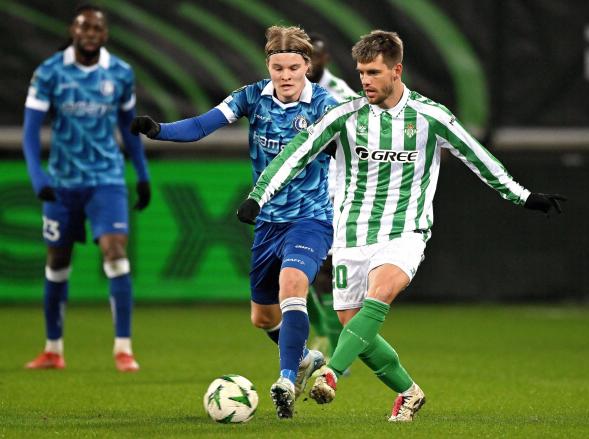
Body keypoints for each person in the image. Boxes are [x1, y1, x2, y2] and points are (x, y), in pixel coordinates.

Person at [236, 30, 566, 422]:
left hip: (406, 231)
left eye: (374, 72)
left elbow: (478, 157)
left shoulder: (430, 116)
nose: (365, 81)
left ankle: (330, 375)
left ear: (397, 70)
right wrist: (259, 196)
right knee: (353, 325)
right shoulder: (345, 116)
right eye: (361, 73)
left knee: (379, 295)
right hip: (352, 235)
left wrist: (523, 196)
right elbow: (294, 155)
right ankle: (409, 393)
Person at [130, 26, 337, 419]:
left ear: (307, 67)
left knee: (292, 284)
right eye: (279, 67)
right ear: (269, 67)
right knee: (262, 318)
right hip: (267, 223)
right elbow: (203, 124)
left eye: (294, 67)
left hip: (310, 218)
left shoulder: (325, 106)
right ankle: (307, 358)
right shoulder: (251, 96)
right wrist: (160, 131)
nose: (286, 76)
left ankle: (287, 379)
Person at [23, 5, 151, 373]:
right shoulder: (49, 72)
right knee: (58, 262)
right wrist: (38, 178)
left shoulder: (121, 73)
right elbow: (31, 132)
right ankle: (52, 348)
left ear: (105, 34)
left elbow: (130, 128)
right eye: (84, 27)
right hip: (62, 182)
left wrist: (141, 174)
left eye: (97, 27)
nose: (91, 33)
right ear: (73, 31)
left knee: (115, 252)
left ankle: (123, 349)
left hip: (106, 179)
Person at [306, 32, 359, 358]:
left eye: (315, 56)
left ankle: (333, 339)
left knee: (325, 268)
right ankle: (324, 332)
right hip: (300, 190)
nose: (309, 62)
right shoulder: (289, 89)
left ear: (325, 59)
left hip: (333, 191)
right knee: (291, 268)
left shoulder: (339, 94)